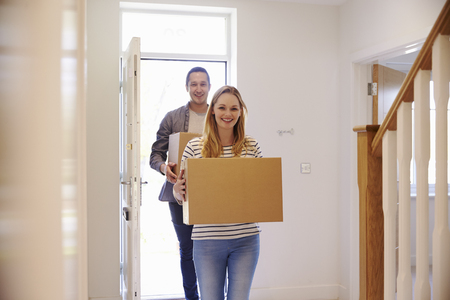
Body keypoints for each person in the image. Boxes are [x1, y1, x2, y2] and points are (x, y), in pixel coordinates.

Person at [173, 85, 262, 300]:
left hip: (246, 239)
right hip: (207, 241)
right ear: (212, 110)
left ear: (241, 111)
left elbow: (260, 190)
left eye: (234, 108)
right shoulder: (195, 147)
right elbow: (182, 197)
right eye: (222, 107)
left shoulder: (251, 146)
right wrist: (177, 190)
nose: (228, 114)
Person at [149, 66, 211, 300]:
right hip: (179, 193)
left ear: (209, 87)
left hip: (212, 193)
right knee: (187, 249)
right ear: (187, 87)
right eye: (193, 84)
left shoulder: (219, 116)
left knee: (211, 249)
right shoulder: (172, 117)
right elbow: (155, 155)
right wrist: (165, 168)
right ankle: (191, 297)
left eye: (202, 84)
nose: (198, 88)